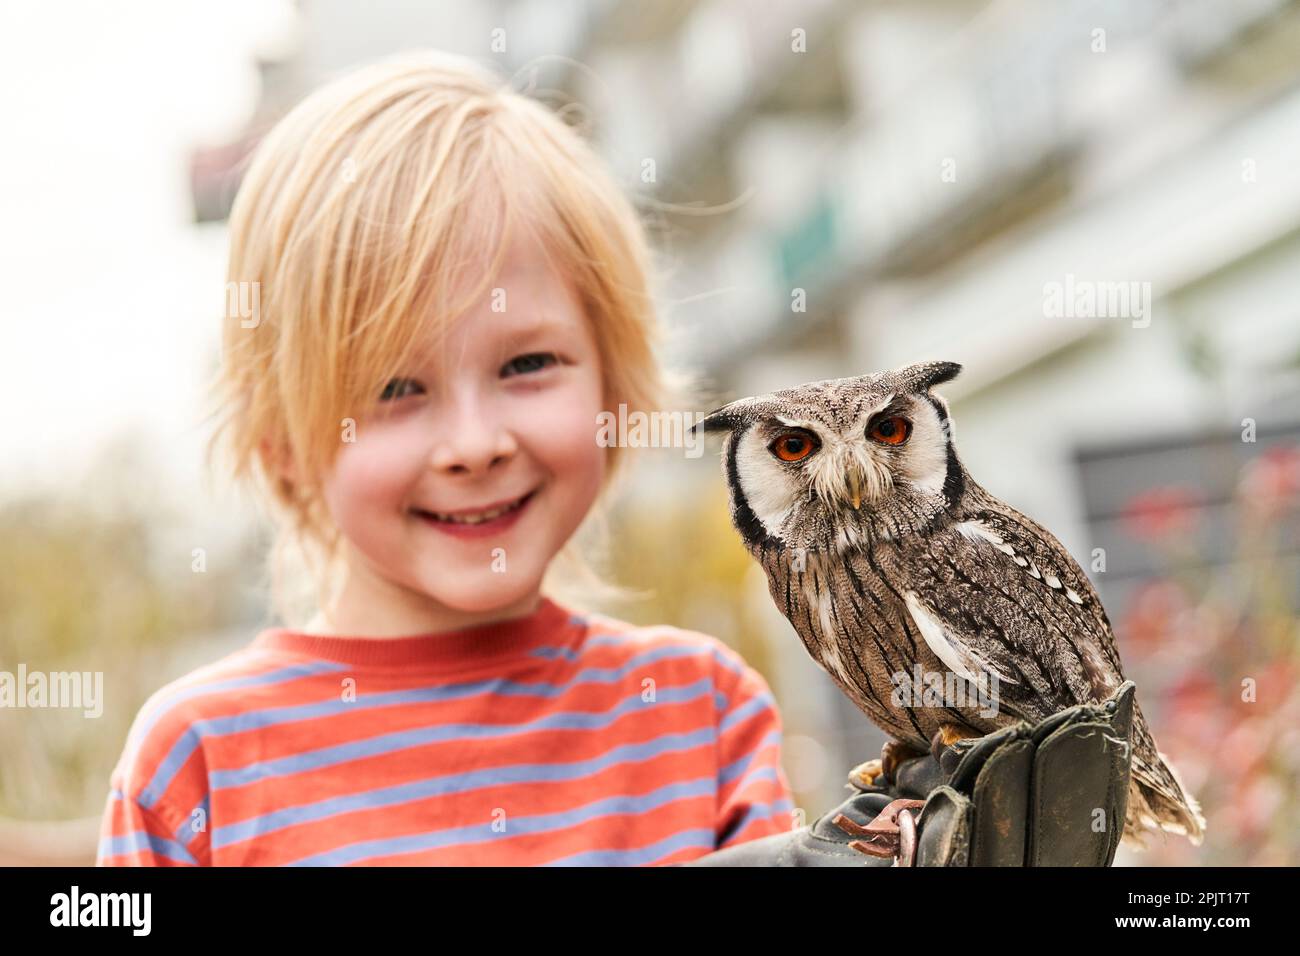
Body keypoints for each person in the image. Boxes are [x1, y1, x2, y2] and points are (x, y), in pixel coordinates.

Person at [95, 50, 795, 866]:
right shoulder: (200, 769)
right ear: (282, 446)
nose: (473, 445)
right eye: (394, 388)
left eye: (527, 365)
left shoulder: (701, 715)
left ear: (614, 387)